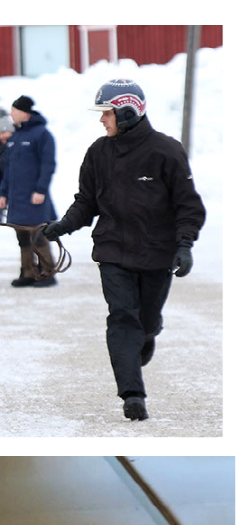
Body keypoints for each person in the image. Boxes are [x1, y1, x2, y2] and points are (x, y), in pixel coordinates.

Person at [41, 79, 206, 422]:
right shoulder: (98, 153)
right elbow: (86, 201)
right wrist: (63, 225)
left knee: (145, 322)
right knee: (121, 319)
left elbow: (188, 205)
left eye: (107, 113)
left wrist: (185, 244)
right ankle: (132, 395)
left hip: (156, 255)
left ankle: (147, 334)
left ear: (128, 112)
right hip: (113, 252)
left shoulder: (166, 151)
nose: (102, 120)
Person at [0, 96, 57, 287]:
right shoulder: (15, 137)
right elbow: (8, 169)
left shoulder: (42, 134)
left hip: (35, 197)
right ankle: (29, 273)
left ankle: (48, 273)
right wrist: (3, 193)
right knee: (22, 237)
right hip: (17, 198)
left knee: (39, 235)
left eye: (13, 111)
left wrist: (41, 190)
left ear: (24, 113)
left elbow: (48, 165)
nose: (10, 114)